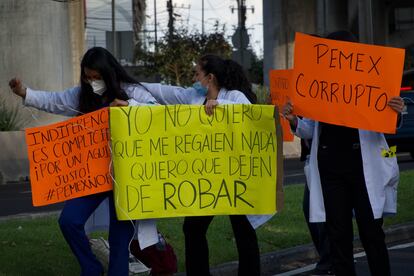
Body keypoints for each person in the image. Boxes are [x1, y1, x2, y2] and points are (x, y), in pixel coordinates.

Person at [9, 46, 159, 276]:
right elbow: (54, 101)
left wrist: (130, 107)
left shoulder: (132, 91)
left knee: (119, 238)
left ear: (109, 74)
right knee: (69, 221)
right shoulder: (81, 94)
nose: (92, 82)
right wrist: (24, 93)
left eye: (97, 78)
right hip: (93, 172)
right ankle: (91, 268)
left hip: (126, 174)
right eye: (88, 77)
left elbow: (156, 113)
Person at [283, 31, 403, 276]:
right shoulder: (321, 87)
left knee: (371, 232)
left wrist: (396, 111)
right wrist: (294, 120)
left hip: (362, 165)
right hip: (330, 168)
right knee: (338, 234)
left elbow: (386, 123)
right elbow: (310, 129)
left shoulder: (371, 82)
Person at [139, 54, 266, 276]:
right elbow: (162, 91)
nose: (194, 78)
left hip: (234, 178)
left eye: (197, 74)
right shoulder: (193, 98)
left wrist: (221, 105)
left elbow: (250, 116)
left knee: (243, 229)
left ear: (210, 77)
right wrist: (128, 85)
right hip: (207, 180)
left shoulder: (234, 96)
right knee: (193, 229)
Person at [300, 138, 333, 276]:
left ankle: (329, 262)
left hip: (328, 156)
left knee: (323, 211)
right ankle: (329, 260)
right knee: (310, 208)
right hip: (313, 157)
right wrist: (295, 122)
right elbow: (306, 128)